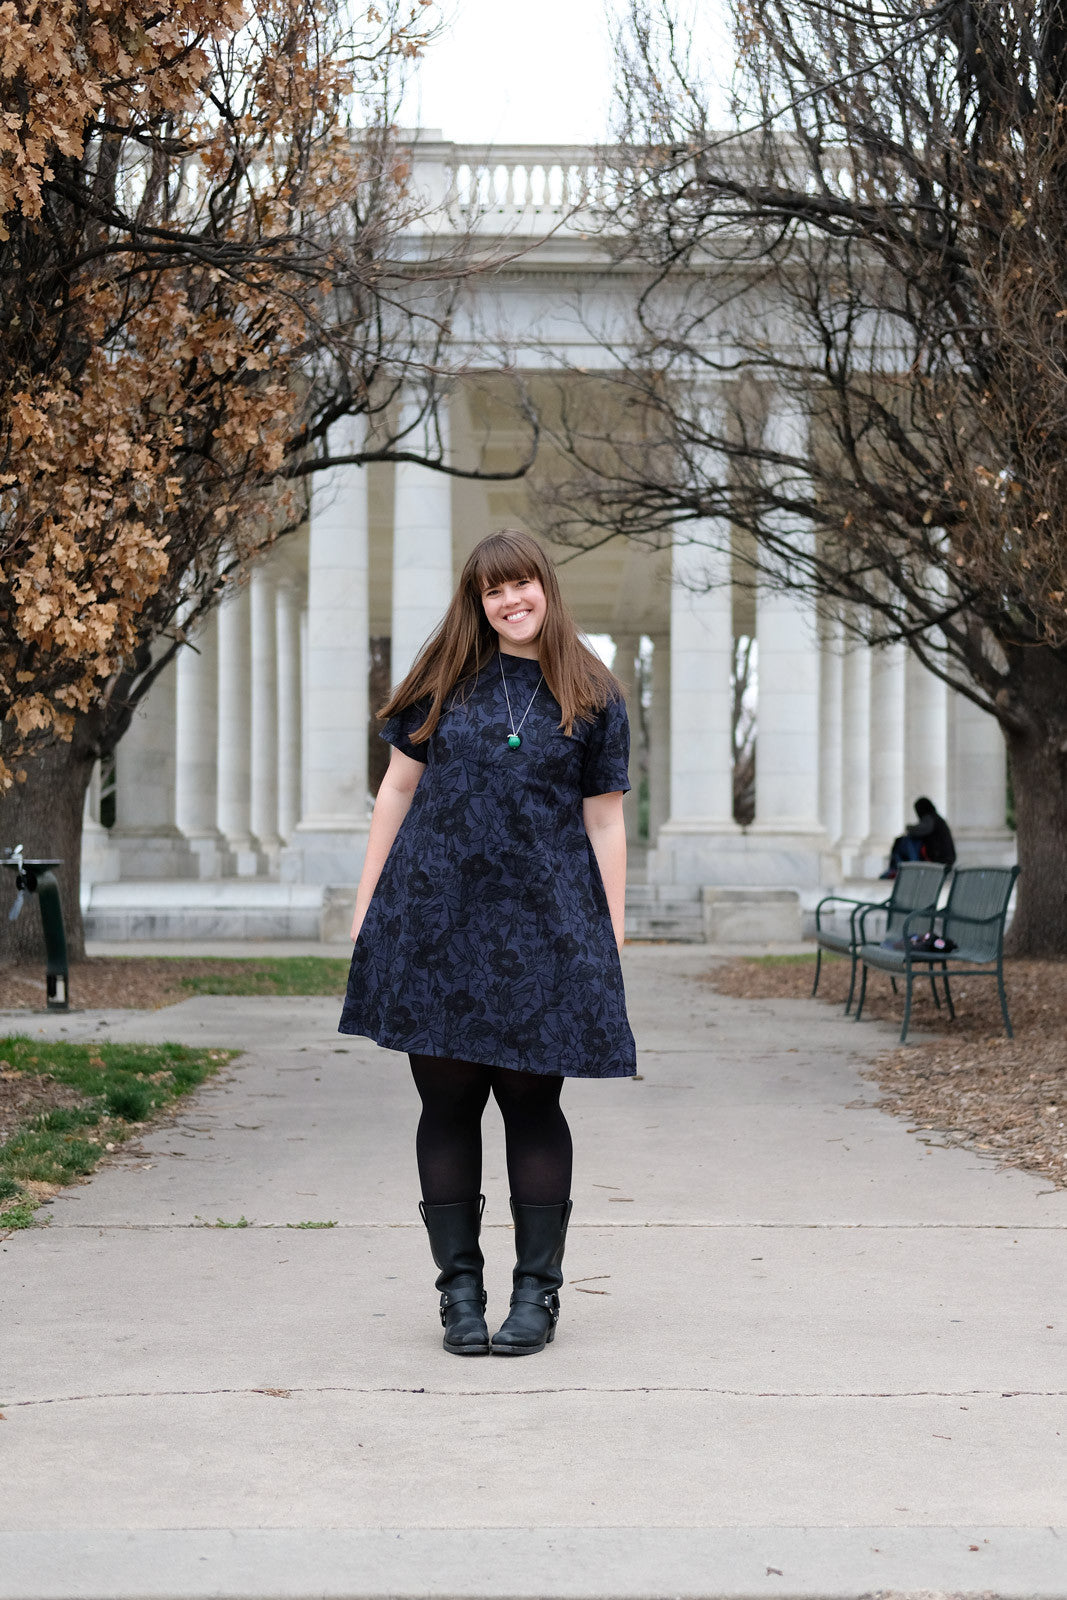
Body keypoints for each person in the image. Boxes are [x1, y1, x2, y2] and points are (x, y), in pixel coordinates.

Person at [339, 528, 636, 1358]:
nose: (510, 601)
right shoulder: (443, 682)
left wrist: (606, 933)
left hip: (545, 929)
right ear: (478, 602)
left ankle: (535, 1297)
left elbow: (605, 820)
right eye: (492, 591)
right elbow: (397, 792)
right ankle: (458, 1295)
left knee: (532, 1104)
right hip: (433, 923)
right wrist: (367, 910)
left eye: (522, 585)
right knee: (447, 1103)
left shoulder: (594, 694)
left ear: (545, 586)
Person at [881, 796, 956, 877]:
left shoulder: (931, 818)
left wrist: (908, 828)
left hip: (939, 858)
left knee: (905, 841)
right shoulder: (937, 819)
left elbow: (920, 831)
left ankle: (906, 866)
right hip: (946, 858)